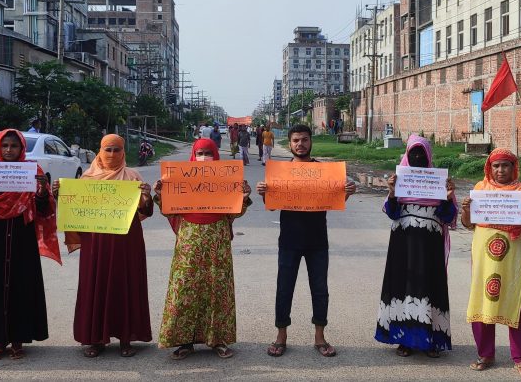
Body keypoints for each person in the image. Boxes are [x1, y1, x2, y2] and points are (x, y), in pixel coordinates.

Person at [256, 124, 356, 358]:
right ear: (290, 144)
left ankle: (320, 337)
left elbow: (336, 200)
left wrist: (347, 192)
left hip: (317, 241)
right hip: (289, 240)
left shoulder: (324, 172)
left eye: (304, 140)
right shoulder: (280, 172)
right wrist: (264, 194)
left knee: (320, 289)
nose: (300, 144)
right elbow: (271, 208)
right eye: (295, 141)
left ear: (311, 142)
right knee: (284, 288)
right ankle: (281, 337)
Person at [0, 129, 61, 361]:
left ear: (21, 149)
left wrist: (43, 190)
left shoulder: (32, 172)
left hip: (22, 237)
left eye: (14, 146)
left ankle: (18, 340)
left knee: (22, 284)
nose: (8, 150)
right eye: (4, 145)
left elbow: (44, 209)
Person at [54, 134, 155, 358]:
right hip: (95, 243)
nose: (111, 155)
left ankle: (126, 338)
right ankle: (95, 339)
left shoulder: (132, 177)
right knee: (95, 284)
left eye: (116, 150)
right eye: (107, 150)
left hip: (127, 241)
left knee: (125, 284)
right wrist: (60, 195)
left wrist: (147, 197)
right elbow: (75, 212)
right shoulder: (87, 180)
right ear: (100, 151)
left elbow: (145, 212)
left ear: (123, 152)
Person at [154, 139, 252, 360]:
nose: (204, 157)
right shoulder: (180, 179)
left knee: (218, 289)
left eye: (208, 153)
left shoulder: (226, 179)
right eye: (200, 153)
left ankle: (218, 340)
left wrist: (243, 197)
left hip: (217, 241)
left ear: (215, 155)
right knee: (185, 288)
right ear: (193, 155)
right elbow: (168, 211)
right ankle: (184, 341)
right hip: (189, 241)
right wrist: (161, 193)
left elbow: (235, 213)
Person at [459, 148, 521, 378]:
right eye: (496, 166)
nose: (500, 170)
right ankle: (485, 353)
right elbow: (468, 224)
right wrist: (466, 210)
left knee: (515, 304)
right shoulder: (480, 189)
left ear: (513, 167)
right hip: (484, 259)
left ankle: (520, 357)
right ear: (489, 167)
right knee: (482, 302)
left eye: (505, 165)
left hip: (512, 260)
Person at [376, 135, 457, 358]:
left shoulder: (439, 183)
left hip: (430, 245)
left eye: (422, 153)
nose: (418, 157)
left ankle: (431, 341)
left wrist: (448, 198)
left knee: (429, 287)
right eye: (414, 153)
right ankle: (405, 339)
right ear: (407, 156)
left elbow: (448, 217)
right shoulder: (400, 181)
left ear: (429, 156)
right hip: (402, 243)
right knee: (404, 287)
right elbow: (392, 213)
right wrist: (392, 193)